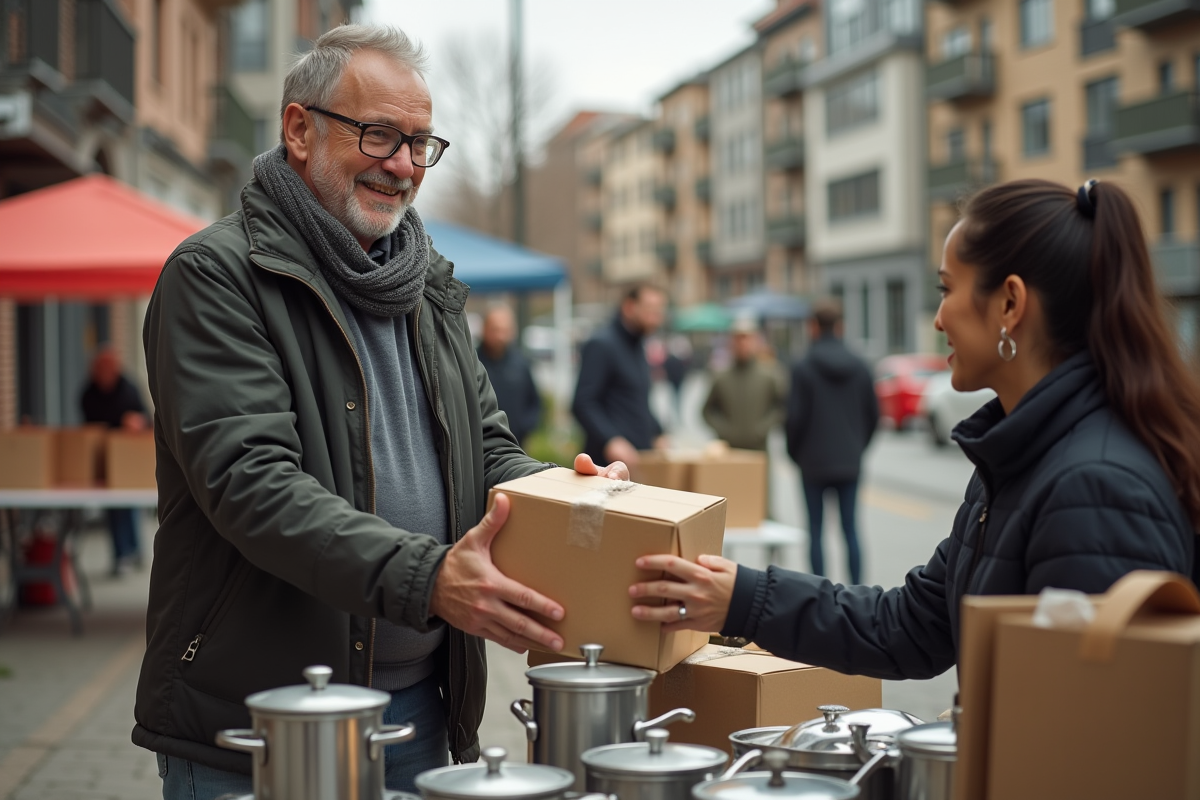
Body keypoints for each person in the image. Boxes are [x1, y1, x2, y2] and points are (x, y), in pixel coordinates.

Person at [133, 26, 627, 800]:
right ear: (300, 129)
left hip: (420, 715)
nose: (401, 165)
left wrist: (570, 492)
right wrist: (430, 579)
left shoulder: (424, 284)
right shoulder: (216, 275)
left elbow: (484, 450)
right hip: (267, 723)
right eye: (378, 136)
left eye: (420, 143)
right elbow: (252, 485)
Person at [626, 178, 1200, 685]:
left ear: (1009, 303)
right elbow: (910, 626)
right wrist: (741, 597)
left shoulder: (1094, 488)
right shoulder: (1020, 456)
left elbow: (1076, 745)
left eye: (947, 289)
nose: (938, 318)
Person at [785, 299, 879, 584]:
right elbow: (874, 415)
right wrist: (857, 447)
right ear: (841, 327)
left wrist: (797, 454)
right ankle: (858, 592)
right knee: (850, 529)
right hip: (849, 460)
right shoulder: (861, 366)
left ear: (813, 327)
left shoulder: (802, 367)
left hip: (812, 462)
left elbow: (793, 419)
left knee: (815, 530)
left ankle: (819, 593)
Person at [573, 284, 668, 468]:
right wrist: (611, 439)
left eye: (659, 311)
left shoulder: (638, 345)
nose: (656, 318)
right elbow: (583, 403)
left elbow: (636, 401)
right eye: (650, 310)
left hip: (637, 461)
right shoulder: (601, 344)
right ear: (629, 307)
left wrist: (659, 433)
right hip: (605, 465)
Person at [80, 347, 148, 575]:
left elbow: (146, 417)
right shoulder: (88, 394)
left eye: (109, 369)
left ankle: (133, 550)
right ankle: (123, 554)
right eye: (100, 369)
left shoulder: (128, 389)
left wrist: (137, 422)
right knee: (115, 509)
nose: (105, 374)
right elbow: (90, 427)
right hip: (102, 459)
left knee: (129, 505)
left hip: (127, 458)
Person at [702, 317, 787, 452]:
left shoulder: (769, 375)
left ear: (756, 341)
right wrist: (724, 430)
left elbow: (780, 407)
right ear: (731, 342)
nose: (743, 344)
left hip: (759, 450)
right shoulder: (721, 376)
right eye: (738, 339)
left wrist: (762, 428)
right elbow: (707, 411)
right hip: (729, 451)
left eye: (747, 338)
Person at [476, 304, 541, 444]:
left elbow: (534, 402)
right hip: (479, 444)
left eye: (504, 330)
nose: (500, 336)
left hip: (516, 443)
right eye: (495, 330)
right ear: (484, 329)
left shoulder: (521, 363)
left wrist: (524, 428)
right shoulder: (471, 362)